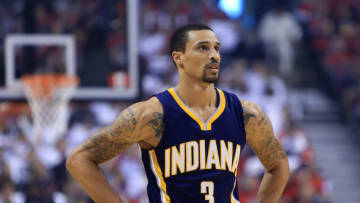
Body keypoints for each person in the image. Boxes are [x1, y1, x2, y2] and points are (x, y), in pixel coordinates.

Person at [66, 24, 290, 203]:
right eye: (203, 48)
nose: (214, 55)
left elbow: (278, 166)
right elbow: (79, 160)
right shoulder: (152, 115)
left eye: (216, 48)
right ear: (178, 58)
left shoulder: (245, 113)